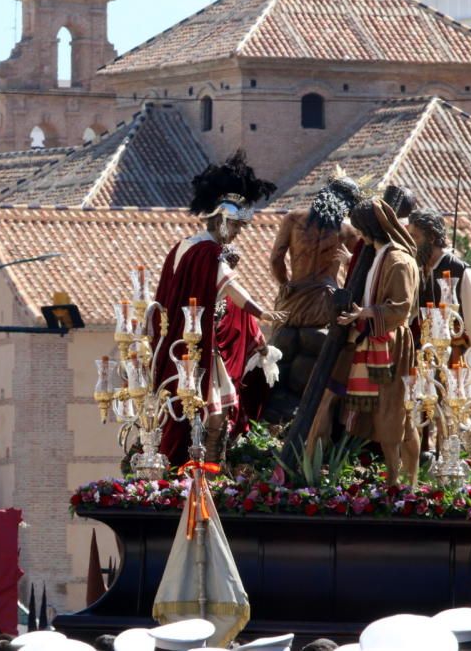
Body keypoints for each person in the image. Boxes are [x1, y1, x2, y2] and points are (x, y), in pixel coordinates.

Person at [152, 152, 283, 466]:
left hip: (183, 345)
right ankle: (209, 470)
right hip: (199, 348)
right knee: (217, 410)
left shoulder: (184, 245)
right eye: (236, 226)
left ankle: (207, 468)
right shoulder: (208, 251)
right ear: (222, 221)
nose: (238, 233)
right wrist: (259, 311)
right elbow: (230, 288)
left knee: (208, 408)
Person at [310, 198, 420, 486]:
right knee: (354, 404)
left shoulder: (398, 260)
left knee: (394, 413)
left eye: (359, 228)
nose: (357, 234)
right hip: (368, 340)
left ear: (368, 228)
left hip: (390, 345)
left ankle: (403, 482)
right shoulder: (379, 255)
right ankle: (391, 479)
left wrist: (366, 313)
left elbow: (401, 308)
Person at [270, 169, 362, 328]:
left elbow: (275, 260)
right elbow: (359, 268)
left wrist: (285, 285)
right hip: (325, 306)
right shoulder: (346, 231)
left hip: (292, 303)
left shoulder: (292, 218)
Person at [406, 208, 471, 359]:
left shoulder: (459, 271)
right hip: (425, 360)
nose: (410, 244)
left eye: (415, 237)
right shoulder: (419, 269)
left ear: (431, 237)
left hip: (455, 363)